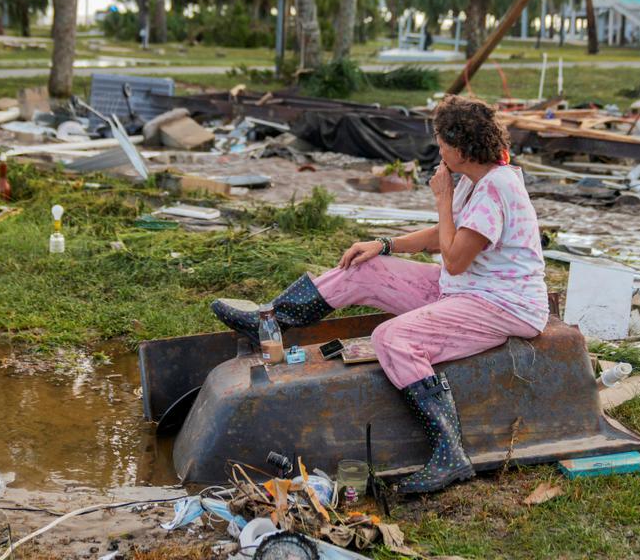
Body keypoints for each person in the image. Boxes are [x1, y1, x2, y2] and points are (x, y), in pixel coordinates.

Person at [211, 96, 548, 494]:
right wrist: (383, 244)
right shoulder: (476, 181)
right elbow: (445, 239)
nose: (438, 150)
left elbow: (455, 258)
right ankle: (271, 321)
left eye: (441, 142)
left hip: (503, 304)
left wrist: (441, 200)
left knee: (392, 338)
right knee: (364, 266)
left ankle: (450, 453)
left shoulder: (496, 187)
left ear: (459, 148)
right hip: (465, 288)